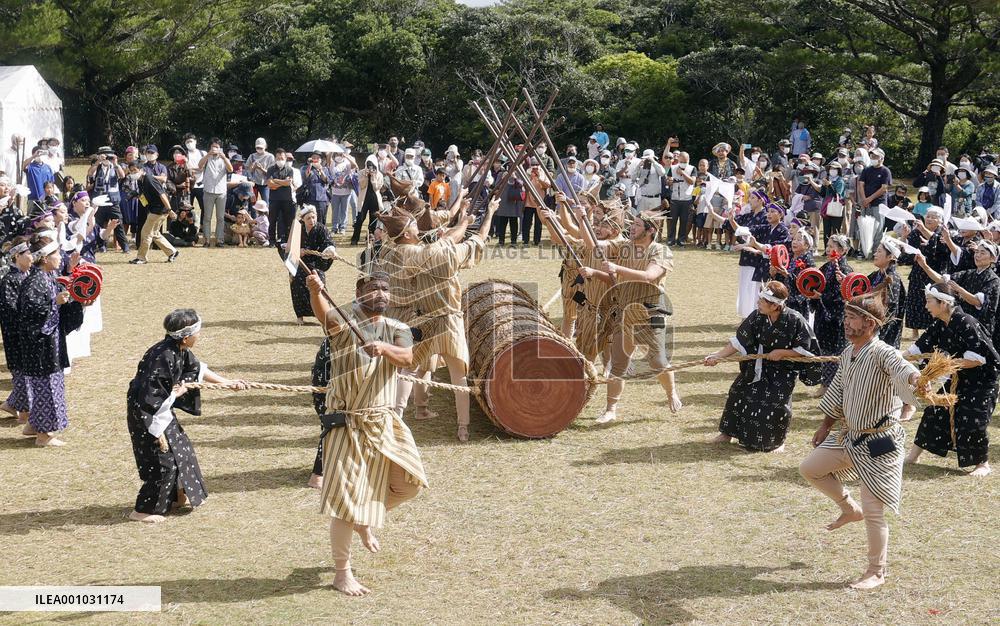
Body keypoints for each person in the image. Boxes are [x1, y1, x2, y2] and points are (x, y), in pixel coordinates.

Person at [308, 271, 427, 596]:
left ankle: (365, 518)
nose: (381, 293)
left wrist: (384, 348)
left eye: (386, 289)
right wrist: (316, 291)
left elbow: (407, 357)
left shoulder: (399, 329)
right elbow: (324, 315)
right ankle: (342, 572)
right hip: (345, 424)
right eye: (373, 288)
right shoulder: (343, 322)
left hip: (383, 421)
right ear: (359, 293)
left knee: (408, 483)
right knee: (347, 503)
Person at [799, 289, 925, 590]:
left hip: (880, 442)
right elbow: (839, 392)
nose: (846, 323)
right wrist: (825, 425)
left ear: (869, 324)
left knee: (874, 510)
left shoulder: (884, 352)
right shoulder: (848, 352)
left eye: (852, 318)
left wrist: (917, 379)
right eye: (846, 316)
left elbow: (903, 368)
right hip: (849, 436)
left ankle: (876, 571)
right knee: (810, 468)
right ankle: (847, 507)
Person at [384, 198, 498, 441]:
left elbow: (447, 237)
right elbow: (477, 239)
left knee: (410, 368)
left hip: (421, 318)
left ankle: (397, 417)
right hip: (449, 321)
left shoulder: (401, 252)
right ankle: (463, 427)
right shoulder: (444, 253)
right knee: (458, 375)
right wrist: (488, 214)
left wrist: (462, 219)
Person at [126, 309, 248, 523]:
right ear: (185, 337)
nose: (199, 336)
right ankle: (143, 510)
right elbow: (149, 397)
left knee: (182, 451)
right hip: (148, 415)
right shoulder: (162, 357)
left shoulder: (178, 349)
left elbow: (197, 369)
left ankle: (176, 498)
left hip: (162, 411)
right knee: (162, 461)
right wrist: (176, 394)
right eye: (197, 333)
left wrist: (228, 384)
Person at [575, 212, 682, 423]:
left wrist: (616, 268)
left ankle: (671, 393)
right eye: (632, 223)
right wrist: (581, 219)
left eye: (638, 224)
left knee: (658, 362)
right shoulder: (623, 246)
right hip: (624, 312)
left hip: (650, 312)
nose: (632, 227)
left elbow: (650, 277)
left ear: (651, 230)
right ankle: (610, 409)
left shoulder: (661, 251)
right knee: (618, 364)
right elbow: (595, 247)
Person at [705, 281, 820, 452]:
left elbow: (807, 350)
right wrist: (717, 356)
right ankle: (727, 434)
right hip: (757, 365)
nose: (758, 303)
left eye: (762, 301)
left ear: (774, 306)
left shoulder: (794, 319)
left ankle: (776, 442)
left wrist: (783, 352)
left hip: (783, 370)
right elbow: (739, 341)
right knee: (738, 392)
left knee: (775, 403)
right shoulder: (757, 316)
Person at [904, 286, 998, 477]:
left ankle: (983, 464)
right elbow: (917, 348)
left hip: (982, 380)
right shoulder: (939, 323)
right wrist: (895, 357)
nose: (926, 305)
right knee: (935, 410)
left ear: (944, 303)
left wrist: (943, 365)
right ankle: (913, 456)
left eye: (929, 301)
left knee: (972, 420)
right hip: (960, 376)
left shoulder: (966, 322)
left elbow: (976, 359)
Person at [17, 235, 84, 446]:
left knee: (48, 386)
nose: (59, 257)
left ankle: (33, 425)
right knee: (46, 388)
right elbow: (28, 314)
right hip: (40, 347)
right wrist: (54, 303)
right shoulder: (35, 282)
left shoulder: (49, 277)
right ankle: (44, 436)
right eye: (55, 254)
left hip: (49, 343)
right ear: (44, 259)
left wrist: (77, 302)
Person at [809, 234, 853, 394]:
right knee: (823, 350)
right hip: (823, 315)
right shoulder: (826, 267)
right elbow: (816, 283)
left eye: (831, 247)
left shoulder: (845, 270)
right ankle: (826, 384)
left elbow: (842, 296)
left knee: (836, 352)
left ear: (843, 250)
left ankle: (833, 387)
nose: (828, 250)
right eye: (827, 246)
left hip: (837, 317)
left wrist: (821, 296)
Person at [0, 237, 33, 423]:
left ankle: (13, 405)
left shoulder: (27, 276)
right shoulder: (10, 280)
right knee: (22, 373)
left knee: (26, 374)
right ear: (16, 257)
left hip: (26, 333)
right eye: (27, 253)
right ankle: (21, 411)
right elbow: (10, 311)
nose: (31, 256)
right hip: (16, 336)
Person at [901, 208, 948, 336]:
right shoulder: (916, 233)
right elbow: (905, 257)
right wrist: (904, 237)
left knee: (934, 301)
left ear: (940, 221)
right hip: (918, 272)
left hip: (935, 273)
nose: (929, 219)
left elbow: (941, 251)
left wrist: (925, 233)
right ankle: (914, 331)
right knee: (915, 301)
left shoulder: (943, 234)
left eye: (933, 217)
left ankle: (933, 331)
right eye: (928, 216)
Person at [290, 205, 337, 324]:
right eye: (308, 218)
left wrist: (330, 251)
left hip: (316, 262)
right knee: (297, 282)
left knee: (319, 283)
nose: (312, 221)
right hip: (301, 262)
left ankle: (323, 312)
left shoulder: (321, 229)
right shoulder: (298, 229)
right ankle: (300, 316)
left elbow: (328, 242)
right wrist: (297, 250)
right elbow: (289, 244)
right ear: (303, 220)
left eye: (313, 217)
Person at [129, 162, 179, 265]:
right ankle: (172, 252)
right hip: (154, 210)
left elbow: (162, 194)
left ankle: (141, 258)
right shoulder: (140, 181)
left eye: (135, 170)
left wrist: (169, 210)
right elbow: (146, 198)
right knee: (155, 233)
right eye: (131, 171)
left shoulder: (149, 179)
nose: (133, 173)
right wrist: (137, 195)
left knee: (145, 233)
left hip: (159, 210)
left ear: (142, 170)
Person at [198, 138, 233, 247]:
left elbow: (231, 169)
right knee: (207, 217)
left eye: (217, 147)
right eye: (213, 147)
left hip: (221, 191)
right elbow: (200, 165)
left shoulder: (224, 158)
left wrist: (224, 157)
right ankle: (207, 240)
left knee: (220, 217)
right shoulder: (207, 158)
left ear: (220, 148)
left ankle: (219, 240)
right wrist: (208, 154)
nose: (215, 149)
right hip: (208, 190)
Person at [266, 148, 296, 253]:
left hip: (286, 199)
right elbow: (270, 184)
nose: (280, 160)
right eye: (278, 158)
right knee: (272, 220)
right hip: (274, 199)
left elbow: (288, 183)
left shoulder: (289, 170)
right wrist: (282, 182)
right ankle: (272, 240)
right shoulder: (270, 169)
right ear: (275, 158)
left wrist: (276, 181)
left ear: (285, 158)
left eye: (282, 158)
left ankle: (286, 240)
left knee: (287, 221)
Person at [350, 155, 384, 246]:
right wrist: (365, 176)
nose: (370, 167)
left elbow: (377, 187)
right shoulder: (361, 173)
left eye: (372, 165)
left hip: (374, 199)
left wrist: (373, 177)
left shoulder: (379, 174)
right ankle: (355, 238)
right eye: (368, 165)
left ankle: (370, 239)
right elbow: (361, 186)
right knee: (359, 219)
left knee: (373, 220)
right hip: (363, 200)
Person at [666, 152, 695, 246]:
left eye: (685, 161)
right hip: (675, 198)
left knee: (684, 220)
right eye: (681, 161)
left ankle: (681, 240)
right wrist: (670, 181)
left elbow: (692, 181)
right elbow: (668, 180)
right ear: (678, 159)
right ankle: (671, 239)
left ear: (688, 160)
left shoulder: (692, 168)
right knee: (673, 220)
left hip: (686, 198)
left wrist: (683, 173)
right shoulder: (673, 167)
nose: (683, 163)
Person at [328, 152, 357, 234]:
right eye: (337, 154)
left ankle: (343, 227)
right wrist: (331, 151)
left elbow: (355, 165)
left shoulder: (347, 163)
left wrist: (346, 156)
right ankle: (334, 227)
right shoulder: (333, 163)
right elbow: (328, 159)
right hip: (335, 191)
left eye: (340, 155)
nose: (339, 156)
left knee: (344, 210)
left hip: (346, 191)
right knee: (335, 210)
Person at [246, 138, 275, 203]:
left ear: (265, 147)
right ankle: (253, 213)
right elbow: (247, 170)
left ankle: (266, 213)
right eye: (257, 148)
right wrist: (253, 167)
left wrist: (261, 168)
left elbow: (271, 173)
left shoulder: (270, 157)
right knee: (253, 202)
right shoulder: (252, 156)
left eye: (261, 148)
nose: (259, 149)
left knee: (266, 202)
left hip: (265, 183)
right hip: (253, 183)